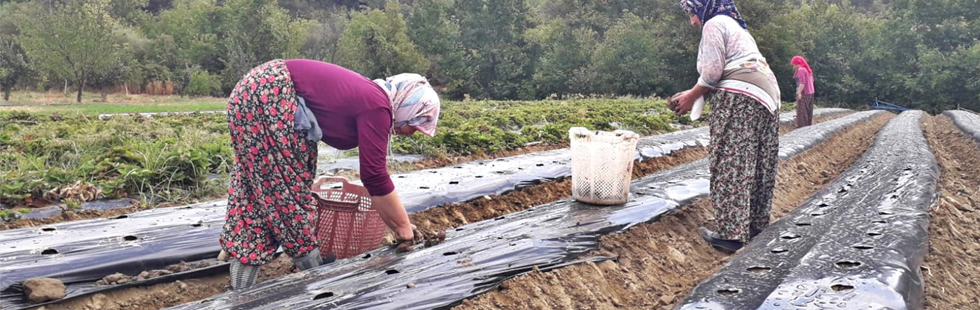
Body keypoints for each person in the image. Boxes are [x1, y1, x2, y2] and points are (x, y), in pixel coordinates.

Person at [219, 59, 441, 289]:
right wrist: (403, 226)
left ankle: (240, 293)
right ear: (409, 106)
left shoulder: (372, 97)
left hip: (252, 92)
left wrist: (399, 224)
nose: (413, 133)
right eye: (417, 124)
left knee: (258, 195)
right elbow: (374, 175)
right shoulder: (378, 104)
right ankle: (322, 283)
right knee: (289, 196)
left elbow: (374, 176)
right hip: (272, 95)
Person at [670, 0, 780, 253]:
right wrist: (693, 93)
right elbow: (719, 73)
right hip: (767, 94)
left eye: (692, 14)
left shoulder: (713, 24)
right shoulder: (735, 26)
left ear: (703, 8)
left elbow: (711, 74)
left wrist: (689, 97)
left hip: (740, 96)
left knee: (731, 161)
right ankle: (754, 225)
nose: (693, 22)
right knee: (757, 160)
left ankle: (731, 234)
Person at [792, 56, 815, 127]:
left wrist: (799, 92)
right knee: (808, 111)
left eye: (794, 64)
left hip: (804, 92)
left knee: (801, 112)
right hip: (810, 93)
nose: (793, 66)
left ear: (797, 64)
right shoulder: (807, 70)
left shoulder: (801, 70)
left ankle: (802, 126)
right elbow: (812, 81)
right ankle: (808, 125)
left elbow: (802, 83)